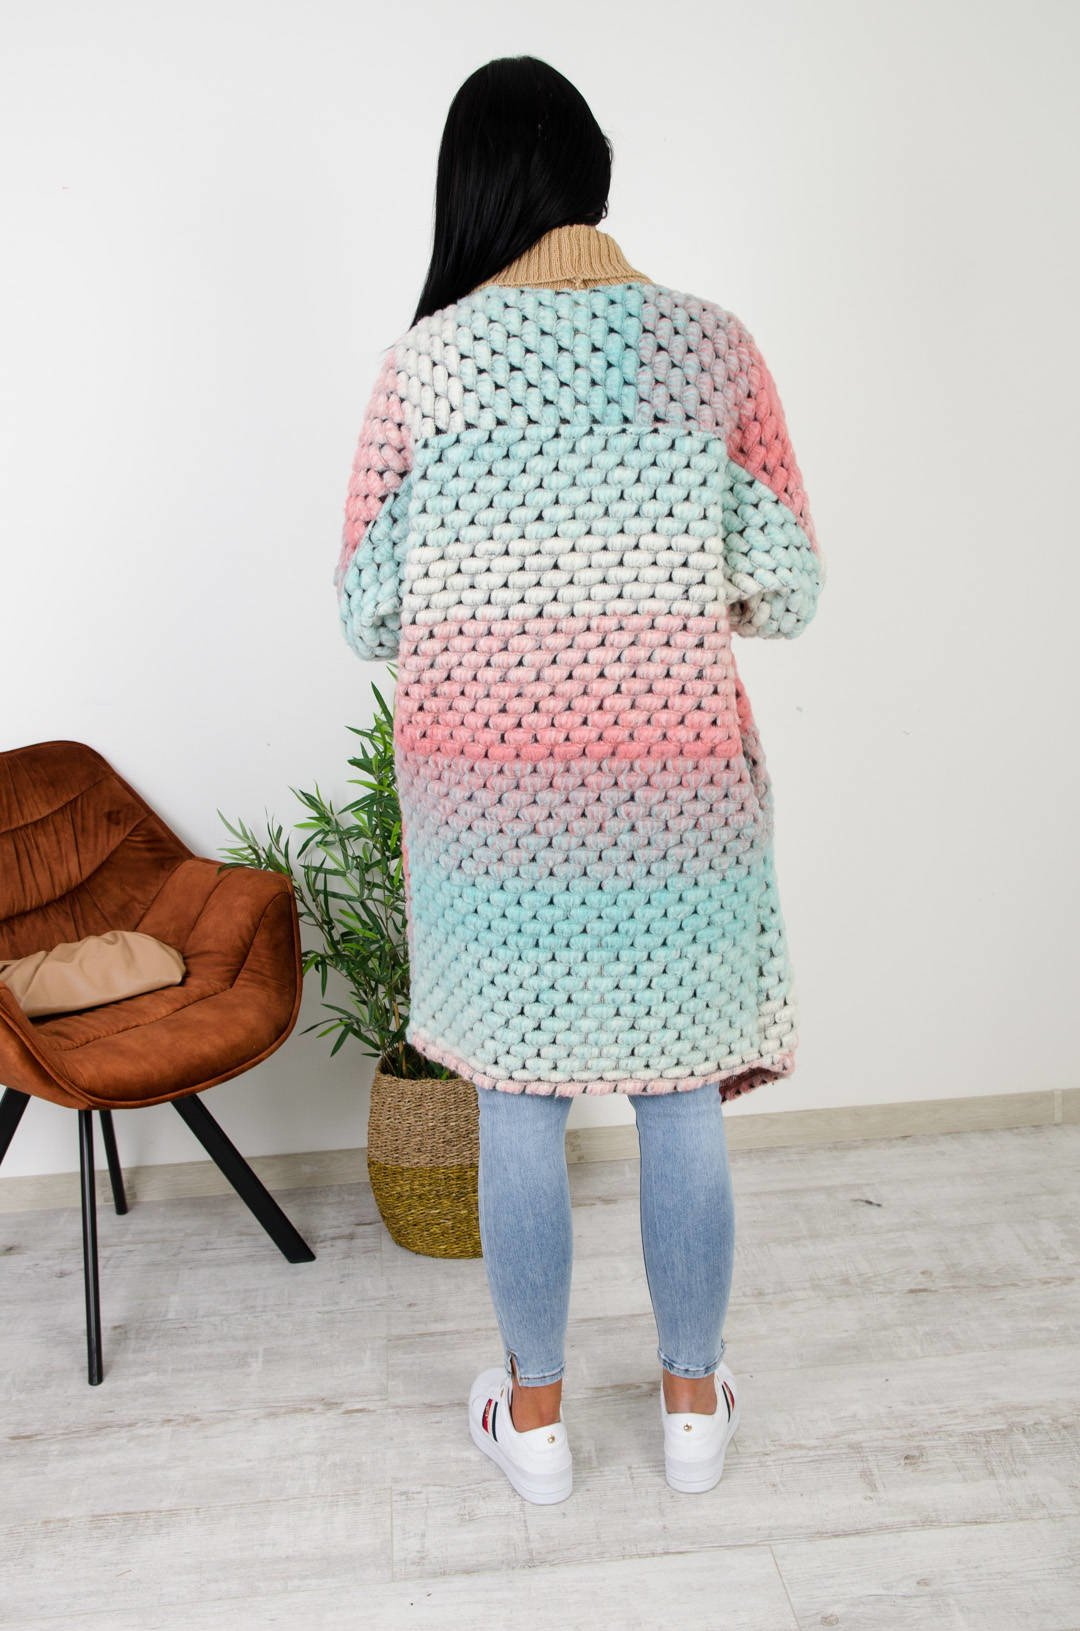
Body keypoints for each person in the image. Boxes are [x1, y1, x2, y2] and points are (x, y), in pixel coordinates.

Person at [335, 55, 825, 1506]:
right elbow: (788, 585)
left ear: (474, 186)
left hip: (489, 818)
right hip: (677, 805)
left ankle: (536, 1424)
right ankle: (692, 1411)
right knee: (681, 1100)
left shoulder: (425, 372)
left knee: (515, 1103)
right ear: (592, 178)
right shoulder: (713, 350)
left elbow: (368, 609)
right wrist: (655, 596)